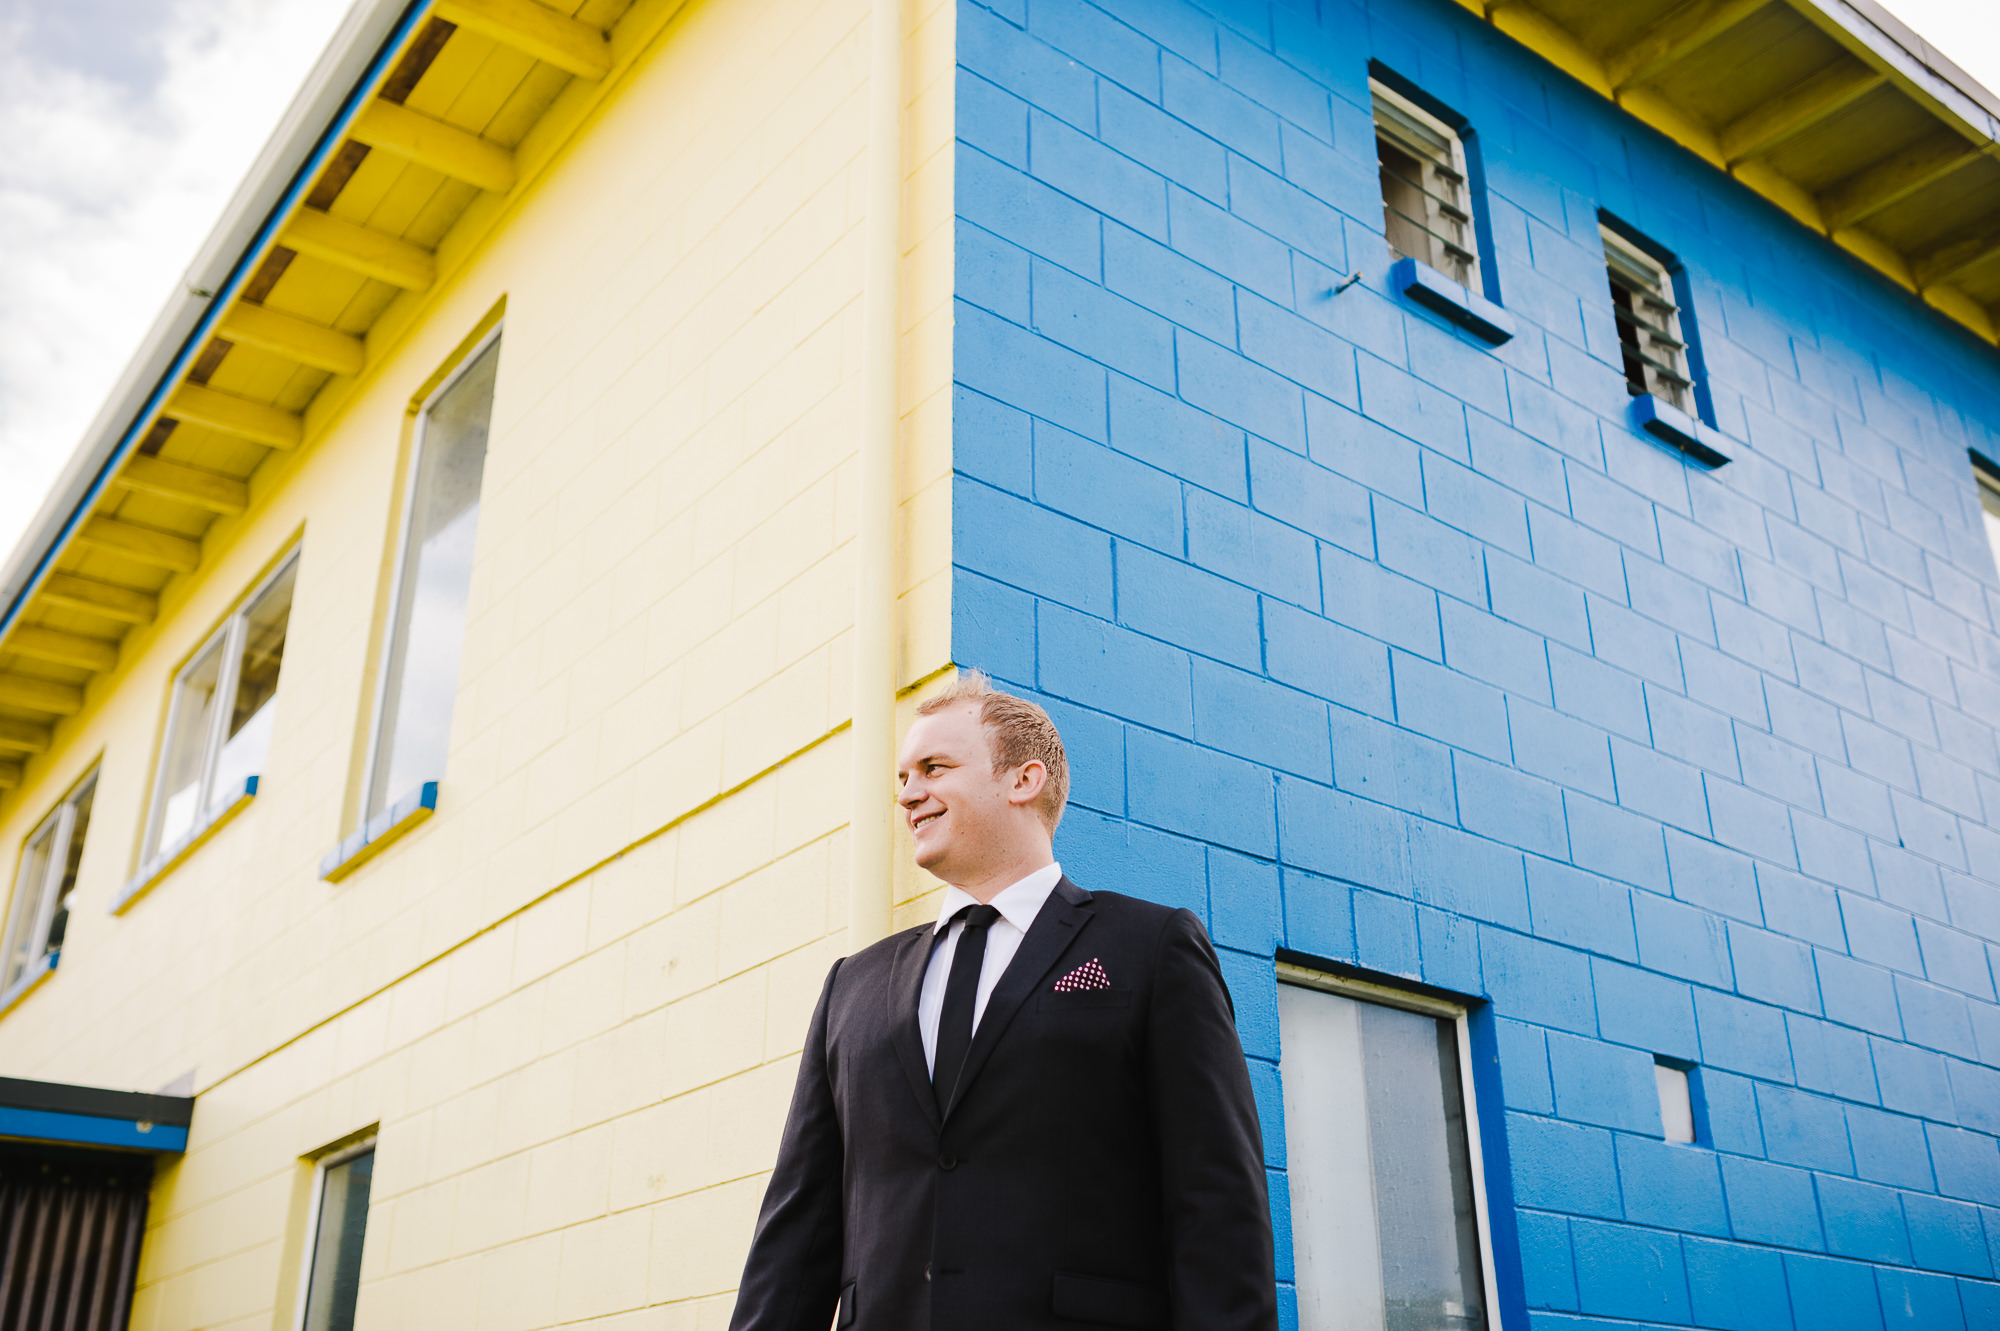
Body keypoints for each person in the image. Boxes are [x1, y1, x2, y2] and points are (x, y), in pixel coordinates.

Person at [728, 672, 1278, 1331]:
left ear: (1024, 779)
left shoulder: (1152, 947)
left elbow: (1217, 1205)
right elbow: (796, 1232)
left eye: (934, 767)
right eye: (902, 776)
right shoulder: (853, 984)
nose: (908, 794)